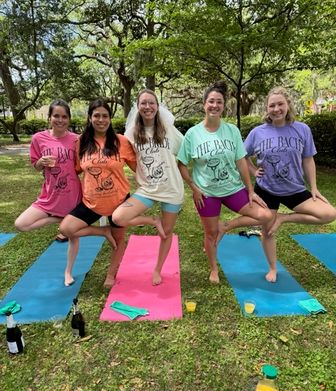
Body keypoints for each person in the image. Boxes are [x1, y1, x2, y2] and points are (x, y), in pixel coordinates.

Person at [60, 99, 165, 288]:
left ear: (110, 118)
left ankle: (111, 274)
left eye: (105, 116)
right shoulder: (81, 143)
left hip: (118, 201)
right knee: (66, 229)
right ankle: (103, 231)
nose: (101, 119)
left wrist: (161, 173)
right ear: (90, 118)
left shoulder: (121, 141)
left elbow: (138, 168)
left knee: (118, 242)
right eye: (96, 115)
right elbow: (75, 170)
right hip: (91, 203)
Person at [177, 81, 273, 284]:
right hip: (207, 193)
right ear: (204, 104)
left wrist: (250, 190)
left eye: (219, 102)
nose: (214, 105)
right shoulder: (193, 135)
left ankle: (226, 226)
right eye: (211, 101)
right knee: (210, 233)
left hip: (233, 188)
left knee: (264, 215)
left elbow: (241, 161)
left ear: (224, 106)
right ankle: (213, 269)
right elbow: (182, 164)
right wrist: (193, 188)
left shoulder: (232, 131)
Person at [244, 86, 336, 282]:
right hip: (266, 189)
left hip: (295, 188)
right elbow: (242, 157)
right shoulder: (257, 132)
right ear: (266, 109)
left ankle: (284, 219)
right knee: (267, 231)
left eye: (280, 104)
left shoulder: (302, 129)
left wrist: (314, 187)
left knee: (329, 214)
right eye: (272, 105)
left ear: (288, 105)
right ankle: (272, 268)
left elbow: (308, 159)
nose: (276, 109)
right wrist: (253, 170)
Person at [112, 89, 184, 285]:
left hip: (171, 190)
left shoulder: (169, 130)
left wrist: (184, 176)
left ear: (157, 106)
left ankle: (158, 269)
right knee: (119, 217)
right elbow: (127, 159)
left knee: (166, 233)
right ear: (138, 107)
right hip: (147, 190)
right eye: (143, 103)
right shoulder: (130, 134)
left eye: (151, 103)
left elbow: (186, 152)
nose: (147, 107)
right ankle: (153, 220)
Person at [15, 99, 82, 286]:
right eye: (56, 116)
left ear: (68, 119)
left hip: (72, 194)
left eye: (64, 117)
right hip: (49, 195)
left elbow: (81, 166)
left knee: (73, 236)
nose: (60, 120)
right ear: (50, 118)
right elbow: (35, 166)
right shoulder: (38, 138)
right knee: (21, 224)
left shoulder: (76, 139)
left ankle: (68, 272)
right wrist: (40, 162)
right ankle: (59, 218)